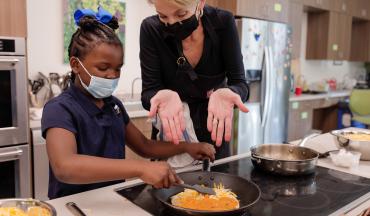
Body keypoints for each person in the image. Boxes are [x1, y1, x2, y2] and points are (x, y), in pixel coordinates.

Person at [41, 7, 215, 199]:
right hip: (72, 205)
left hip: (112, 199)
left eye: (118, 69)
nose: (112, 76)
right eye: (103, 67)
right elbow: (65, 167)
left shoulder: (113, 106)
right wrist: (140, 168)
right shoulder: (59, 109)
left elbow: (144, 146)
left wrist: (187, 147)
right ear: (75, 65)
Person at [140, 0, 249, 159]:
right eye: (163, 16)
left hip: (214, 129)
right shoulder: (151, 29)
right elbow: (148, 92)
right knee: (170, 182)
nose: (172, 23)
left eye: (181, 14)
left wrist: (230, 92)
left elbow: (241, 84)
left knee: (217, 182)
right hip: (172, 133)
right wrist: (160, 97)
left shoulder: (223, 23)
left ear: (201, 3)